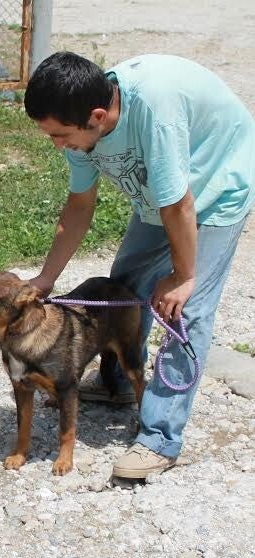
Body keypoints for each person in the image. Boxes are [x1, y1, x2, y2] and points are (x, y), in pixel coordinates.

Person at [23, 52, 254, 479]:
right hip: (164, 199)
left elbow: (178, 205)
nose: (57, 145)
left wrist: (183, 277)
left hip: (218, 184)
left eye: (60, 135)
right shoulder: (81, 122)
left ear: (97, 117)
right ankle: (118, 385)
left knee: (185, 312)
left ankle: (160, 438)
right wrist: (46, 277)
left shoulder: (154, 111)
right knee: (124, 289)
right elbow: (79, 205)